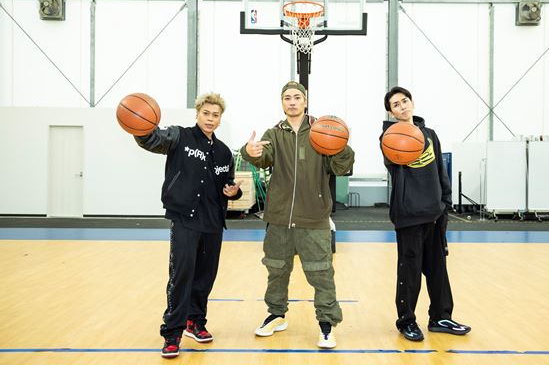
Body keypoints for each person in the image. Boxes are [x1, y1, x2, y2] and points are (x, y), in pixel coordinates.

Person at [241, 81, 354, 349]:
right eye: (287, 98)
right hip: (279, 217)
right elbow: (263, 157)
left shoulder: (322, 130)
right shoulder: (274, 133)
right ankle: (276, 315)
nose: (292, 102)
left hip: (313, 217)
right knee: (276, 270)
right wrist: (250, 152)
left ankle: (326, 323)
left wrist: (342, 145)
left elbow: (341, 167)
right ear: (282, 103)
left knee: (321, 273)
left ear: (305, 101)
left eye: (296, 97)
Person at [135, 93, 243, 358]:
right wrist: (139, 126)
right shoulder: (179, 136)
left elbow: (228, 184)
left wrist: (234, 192)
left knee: (205, 278)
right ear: (197, 114)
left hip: (213, 223)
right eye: (206, 113)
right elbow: (152, 140)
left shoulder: (223, 152)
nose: (210, 119)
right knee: (181, 276)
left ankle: (196, 322)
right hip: (185, 219)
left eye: (215, 115)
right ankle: (172, 333)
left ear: (220, 119)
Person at [381, 86, 470, 342]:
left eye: (404, 101)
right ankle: (407, 321)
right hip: (409, 214)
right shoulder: (388, 137)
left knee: (438, 269)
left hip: (434, 212)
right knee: (409, 272)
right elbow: (393, 163)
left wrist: (445, 202)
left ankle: (441, 317)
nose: (402, 106)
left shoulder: (430, 134)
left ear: (412, 103)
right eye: (396, 104)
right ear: (391, 112)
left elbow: (440, 169)